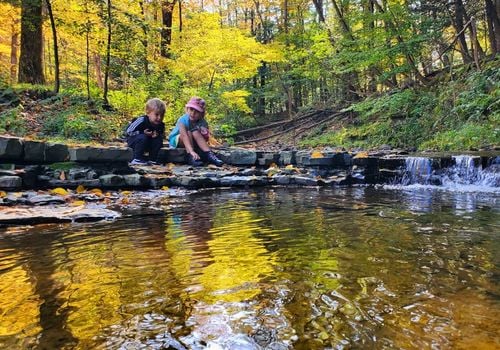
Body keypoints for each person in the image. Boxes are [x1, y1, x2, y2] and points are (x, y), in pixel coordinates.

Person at [168, 97, 224, 167]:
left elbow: (205, 139)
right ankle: (191, 156)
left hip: (193, 140)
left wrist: (204, 134)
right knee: (189, 132)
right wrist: (191, 151)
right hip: (178, 139)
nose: (193, 113)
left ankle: (209, 154)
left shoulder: (202, 122)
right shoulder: (182, 120)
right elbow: (184, 136)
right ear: (187, 109)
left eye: (197, 111)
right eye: (191, 109)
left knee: (195, 132)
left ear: (201, 114)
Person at [126, 98, 166, 165]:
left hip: (148, 142)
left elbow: (162, 135)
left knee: (158, 140)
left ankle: (153, 159)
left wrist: (157, 135)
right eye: (156, 115)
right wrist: (141, 133)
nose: (159, 118)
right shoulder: (141, 120)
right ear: (148, 113)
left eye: (162, 115)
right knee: (143, 137)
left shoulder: (160, 124)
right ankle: (137, 158)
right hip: (134, 141)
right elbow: (128, 131)